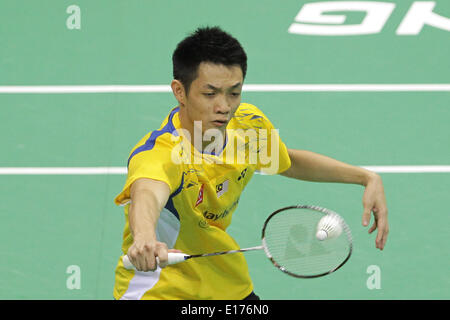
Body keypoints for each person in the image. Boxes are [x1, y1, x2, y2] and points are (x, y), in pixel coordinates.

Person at [113, 26, 389, 300]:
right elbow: (147, 192)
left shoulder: (247, 125)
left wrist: (365, 177)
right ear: (180, 92)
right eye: (210, 94)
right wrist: (145, 238)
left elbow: (288, 162)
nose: (224, 106)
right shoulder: (161, 152)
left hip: (223, 283)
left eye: (234, 93)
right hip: (159, 289)